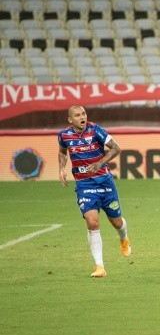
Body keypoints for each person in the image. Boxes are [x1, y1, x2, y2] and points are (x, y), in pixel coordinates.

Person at [58, 105, 131, 278]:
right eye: (77, 115)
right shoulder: (64, 135)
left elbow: (116, 148)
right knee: (92, 222)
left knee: (117, 223)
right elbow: (62, 152)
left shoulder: (95, 129)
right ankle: (99, 266)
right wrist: (61, 168)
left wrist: (100, 163)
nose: (82, 117)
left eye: (83, 113)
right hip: (84, 185)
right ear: (70, 120)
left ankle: (124, 238)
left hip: (105, 183)